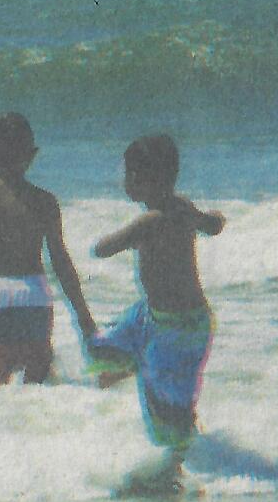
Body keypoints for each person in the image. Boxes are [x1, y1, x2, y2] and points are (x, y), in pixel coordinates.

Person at [86, 134, 229, 451]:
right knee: (114, 353)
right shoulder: (183, 208)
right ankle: (138, 365)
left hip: (174, 331)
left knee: (167, 415)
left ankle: (180, 464)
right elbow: (215, 225)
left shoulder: (149, 221)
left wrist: (117, 239)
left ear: (138, 178)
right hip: (174, 320)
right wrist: (206, 218)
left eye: (128, 175)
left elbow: (102, 249)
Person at [0, 111, 100, 383]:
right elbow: (61, 263)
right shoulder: (45, 201)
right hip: (33, 296)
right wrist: (83, 317)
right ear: (33, 153)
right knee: (37, 383)